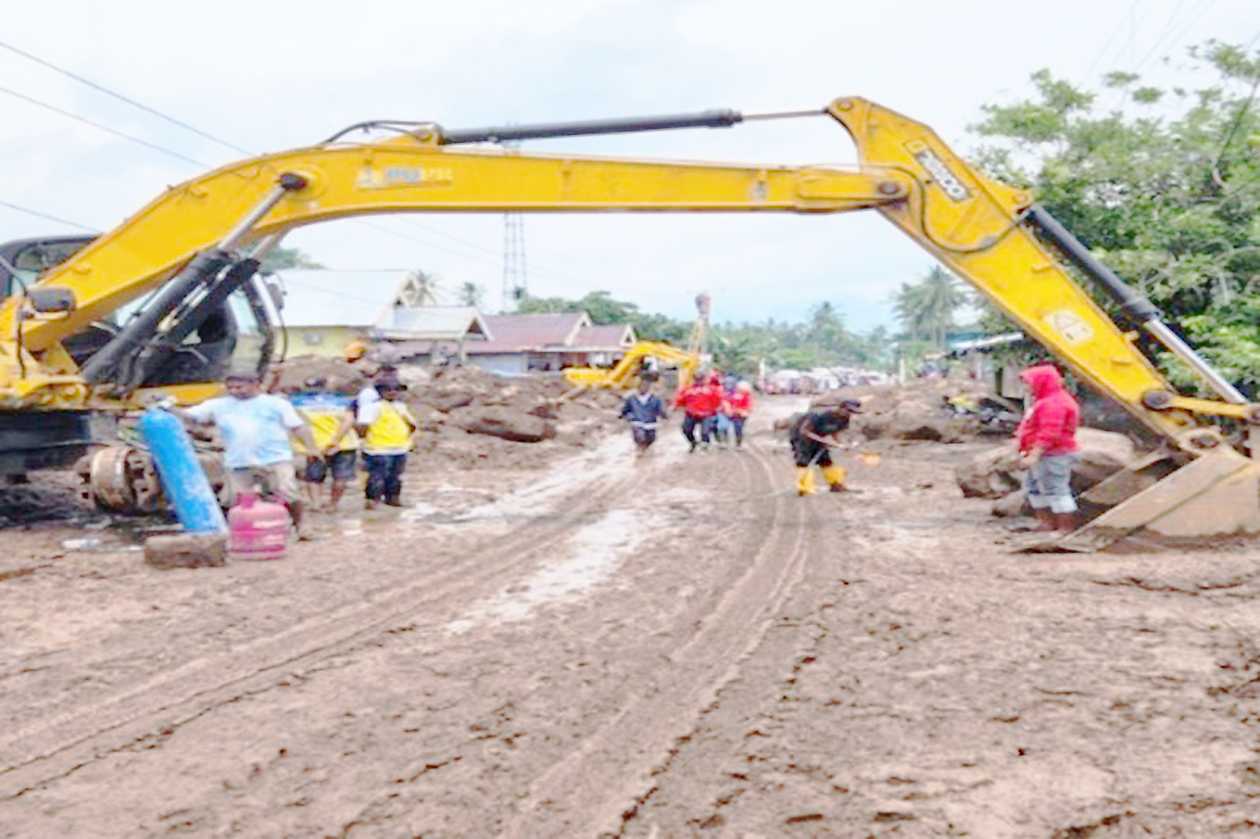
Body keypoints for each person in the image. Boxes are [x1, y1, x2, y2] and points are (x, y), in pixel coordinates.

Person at [179, 369, 320, 538]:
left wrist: (312, 448)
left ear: (256, 385)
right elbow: (188, 416)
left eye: (240, 387)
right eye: (230, 388)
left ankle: (301, 525)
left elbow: (298, 427)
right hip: (238, 460)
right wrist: (167, 407)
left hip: (275, 458)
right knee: (232, 499)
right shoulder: (219, 405)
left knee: (287, 491)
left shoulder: (276, 404)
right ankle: (236, 533)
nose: (234, 391)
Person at [1017, 363, 1080, 532]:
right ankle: (1046, 524)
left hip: (1054, 454)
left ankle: (1065, 528)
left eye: (1028, 383)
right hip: (1045, 453)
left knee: (1056, 489)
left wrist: (1033, 455)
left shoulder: (1054, 403)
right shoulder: (1045, 401)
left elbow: (1049, 433)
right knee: (1035, 488)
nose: (1026, 387)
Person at [289, 377, 359, 512]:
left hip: (314, 445)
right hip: (344, 444)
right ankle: (333, 504)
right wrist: (335, 441)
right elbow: (348, 421)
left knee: (314, 477)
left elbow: (296, 425)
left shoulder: (296, 401)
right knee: (340, 477)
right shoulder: (342, 400)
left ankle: (316, 503)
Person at [355, 376, 418, 509]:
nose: (393, 392)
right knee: (377, 476)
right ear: (380, 391)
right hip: (377, 449)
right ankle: (372, 501)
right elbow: (362, 427)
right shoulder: (372, 407)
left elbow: (412, 424)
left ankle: (393, 499)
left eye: (396, 389)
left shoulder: (401, 407)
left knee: (395, 477)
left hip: (399, 448)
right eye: (388, 389)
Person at [789, 400, 862, 496]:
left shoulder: (844, 419)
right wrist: (826, 442)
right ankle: (805, 489)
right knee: (803, 462)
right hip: (801, 437)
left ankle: (835, 485)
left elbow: (835, 431)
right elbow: (805, 431)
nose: (850, 414)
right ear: (841, 408)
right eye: (849, 410)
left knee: (826, 460)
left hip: (819, 437)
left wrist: (840, 444)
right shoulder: (819, 416)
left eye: (853, 412)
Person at [673, 373, 722, 452]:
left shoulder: (710, 390)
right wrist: (677, 406)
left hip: (705, 414)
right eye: (697, 379)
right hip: (691, 414)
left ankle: (705, 446)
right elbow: (681, 400)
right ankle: (693, 442)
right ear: (694, 379)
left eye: (700, 379)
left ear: (704, 379)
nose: (698, 381)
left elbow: (716, 401)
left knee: (705, 432)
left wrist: (712, 410)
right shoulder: (688, 389)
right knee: (686, 430)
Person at [620, 376, 669, 455]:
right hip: (637, 422)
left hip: (650, 423)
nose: (643, 389)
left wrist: (664, 415)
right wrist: (624, 415)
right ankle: (640, 449)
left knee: (651, 439)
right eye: (641, 387)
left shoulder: (655, 399)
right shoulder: (632, 398)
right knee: (640, 436)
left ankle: (644, 448)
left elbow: (659, 410)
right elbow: (626, 409)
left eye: (645, 387)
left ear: (648, 388)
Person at [724, 381, 754, 448]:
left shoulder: (747, 396)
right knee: (724, 427)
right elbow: (726, 402)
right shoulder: (732, 394)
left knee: (738, 428)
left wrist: (743, 411)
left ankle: (738, 443)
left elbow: (749, 407)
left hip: (740, 415)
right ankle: (725, 441)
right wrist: (728, 409)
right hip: (731, 414)